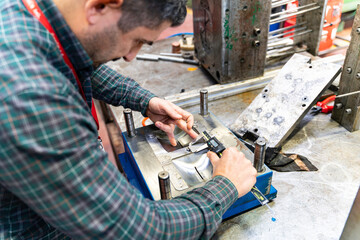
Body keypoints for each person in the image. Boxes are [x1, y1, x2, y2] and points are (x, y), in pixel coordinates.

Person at [0, 0, 257, 239]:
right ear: (100, 5)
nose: (131, 56)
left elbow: (72, 60)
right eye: (137, 40)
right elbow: (135, 230)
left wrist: (143, 100)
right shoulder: (30, 97)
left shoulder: (32, 16)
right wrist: (226, 186)